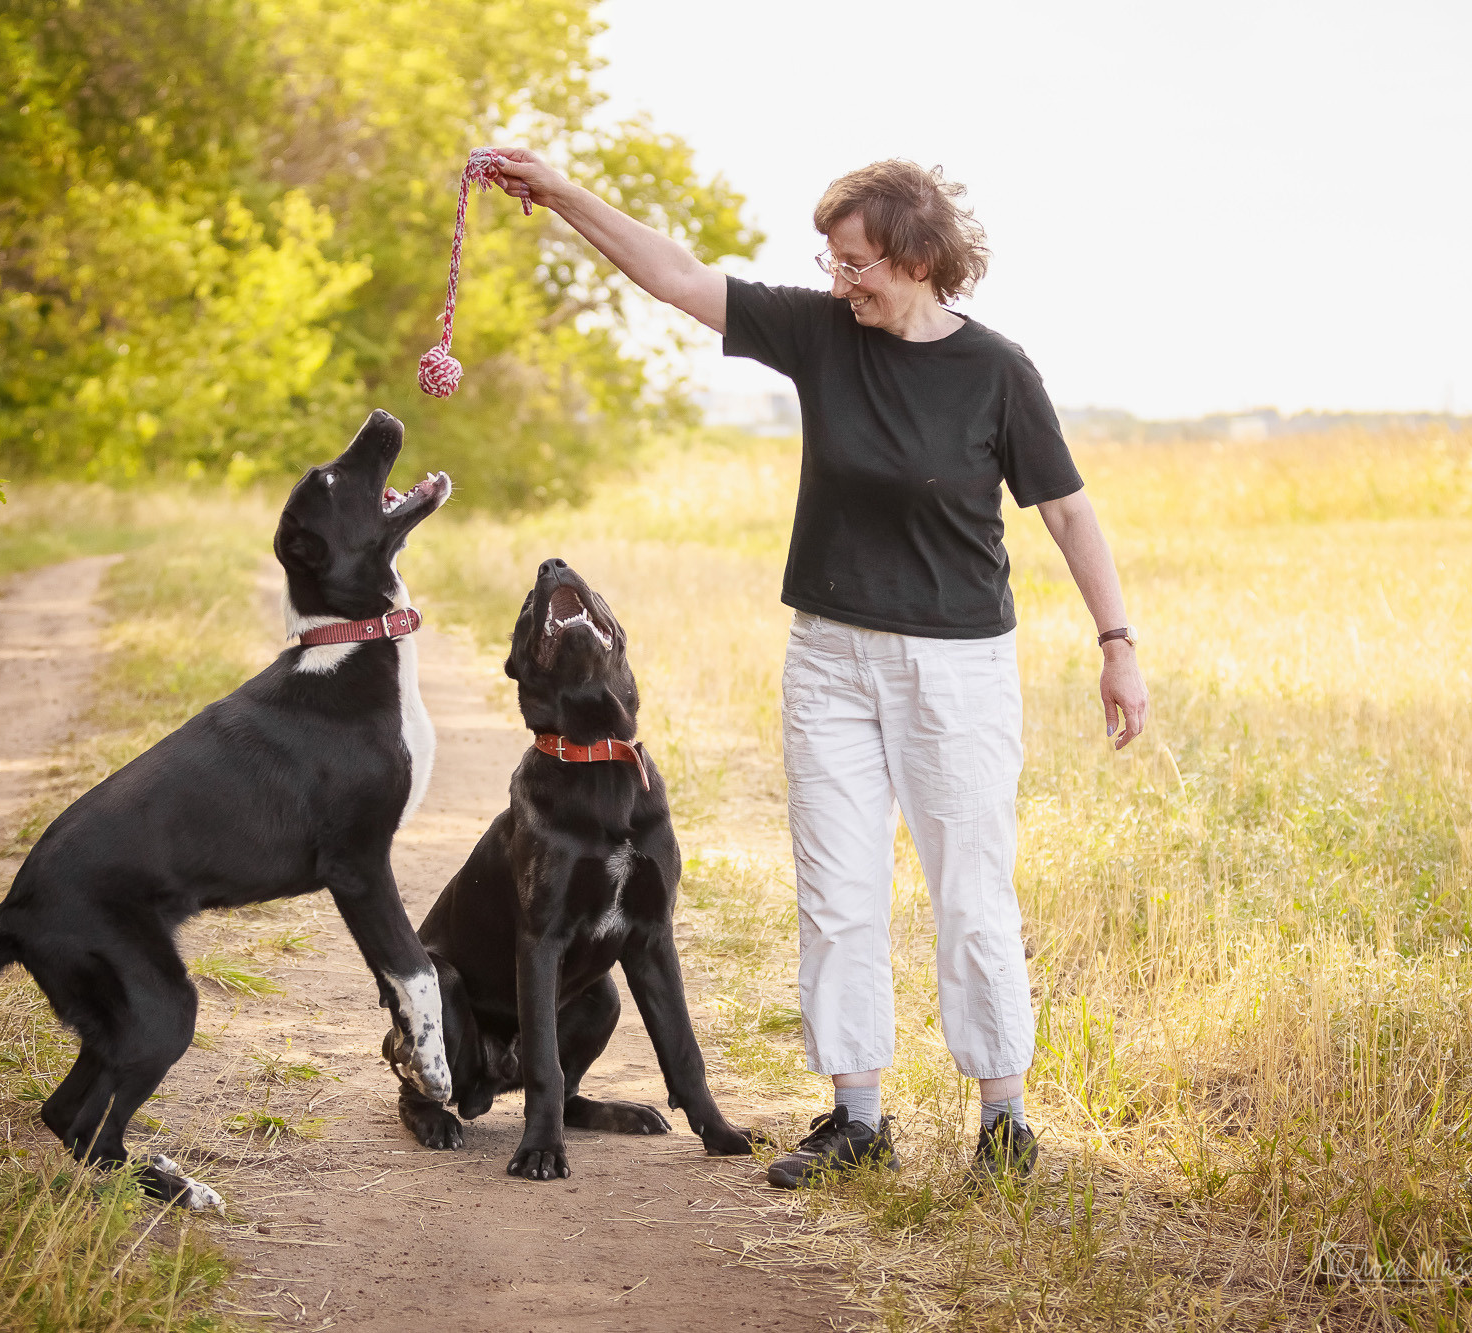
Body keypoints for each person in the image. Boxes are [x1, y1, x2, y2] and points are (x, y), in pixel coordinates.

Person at [484, 150, 1148, 1187]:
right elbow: (675, 276)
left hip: (954, 667)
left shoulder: (996, 372)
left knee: (970, 893)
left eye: (855, 263)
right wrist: (562, 193)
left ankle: (1002, 1119)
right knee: (837, 890)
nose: (839, 282)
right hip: (829, 657)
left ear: (918, 258)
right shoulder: (822, 334)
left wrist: (1116, 644)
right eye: (830, 261)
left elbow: (1065, 509)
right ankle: (857, 1118)